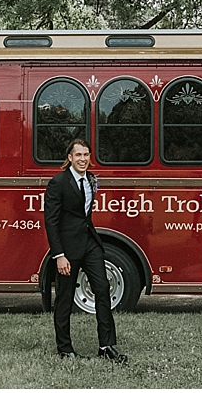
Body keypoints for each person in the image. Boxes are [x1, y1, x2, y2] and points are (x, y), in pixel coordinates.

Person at [43, 139, 127, 363]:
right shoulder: (58, 183)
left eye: (86, 155)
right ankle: (65, 349)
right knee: (64, 298)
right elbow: (50, 222)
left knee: (102, 289)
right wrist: (59, 255)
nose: (83, 159)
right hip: (68, 249)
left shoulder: (91, 179)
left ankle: (106, 345)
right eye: (78, 155)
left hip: (91, 244)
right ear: (69, 157)